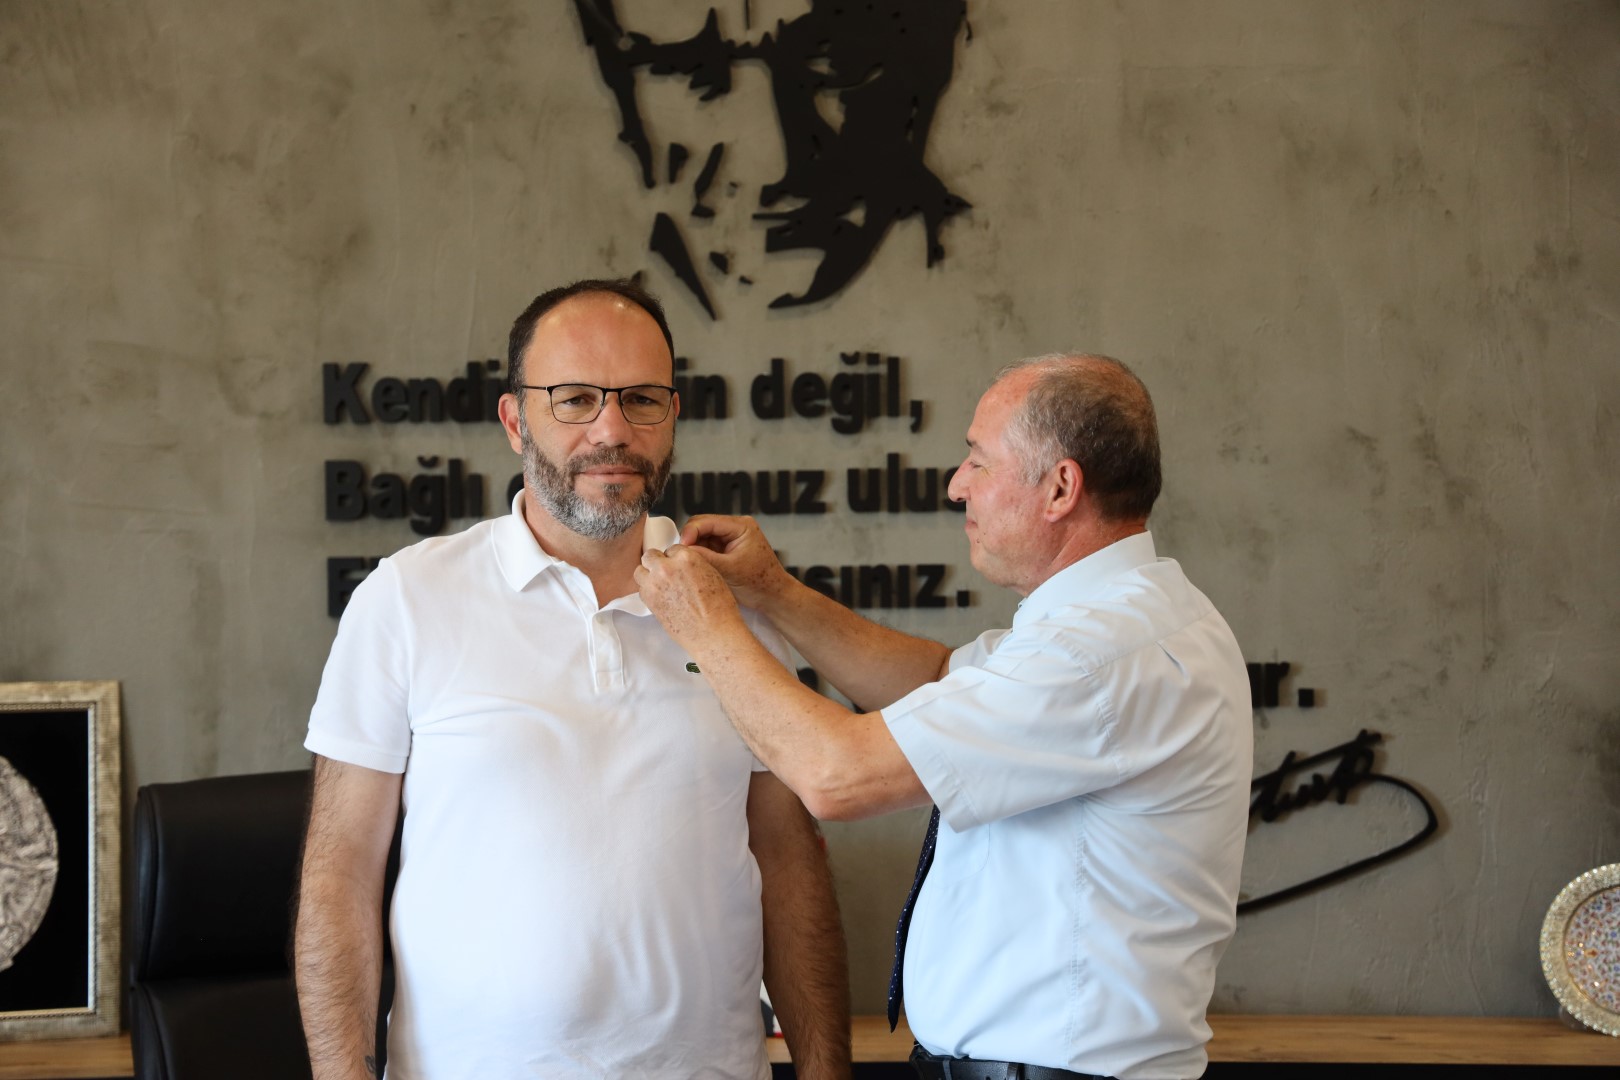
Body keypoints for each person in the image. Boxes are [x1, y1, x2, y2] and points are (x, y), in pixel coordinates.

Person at [635, 354, 1252, 1080]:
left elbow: (836, 776)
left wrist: (706, 627)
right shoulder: (1116, 622)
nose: (957, 485)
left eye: (979, 461)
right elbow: (934, 679)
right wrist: (773, 592)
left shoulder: (1096, 655)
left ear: (1060, 488)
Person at [295, 279, 850, 1080]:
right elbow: (341, 872)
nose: (612, 430)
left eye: (641, 400)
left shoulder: (735, 607)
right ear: (514, 420)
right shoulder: (407, 599)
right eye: (576, 399)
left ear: (673, 415)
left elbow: (788, 859)